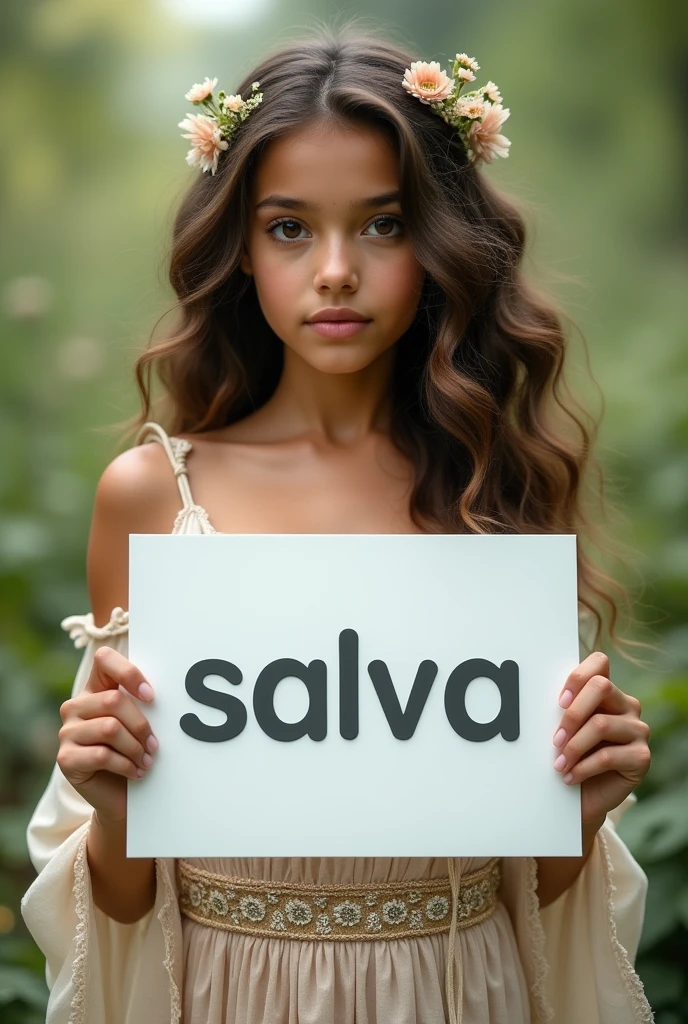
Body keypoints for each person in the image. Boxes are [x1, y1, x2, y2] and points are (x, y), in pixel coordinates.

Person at [21, 21, 655, 1024]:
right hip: (230, 993)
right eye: (287, 227)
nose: (333, 271)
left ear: (441, 238)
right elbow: (133, 893)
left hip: (456, 990)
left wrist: (575, 809)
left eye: (381, 224)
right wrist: (107, 803)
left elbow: (528, 887)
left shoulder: (493, 488)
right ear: (237, 249)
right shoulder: (151, 496)